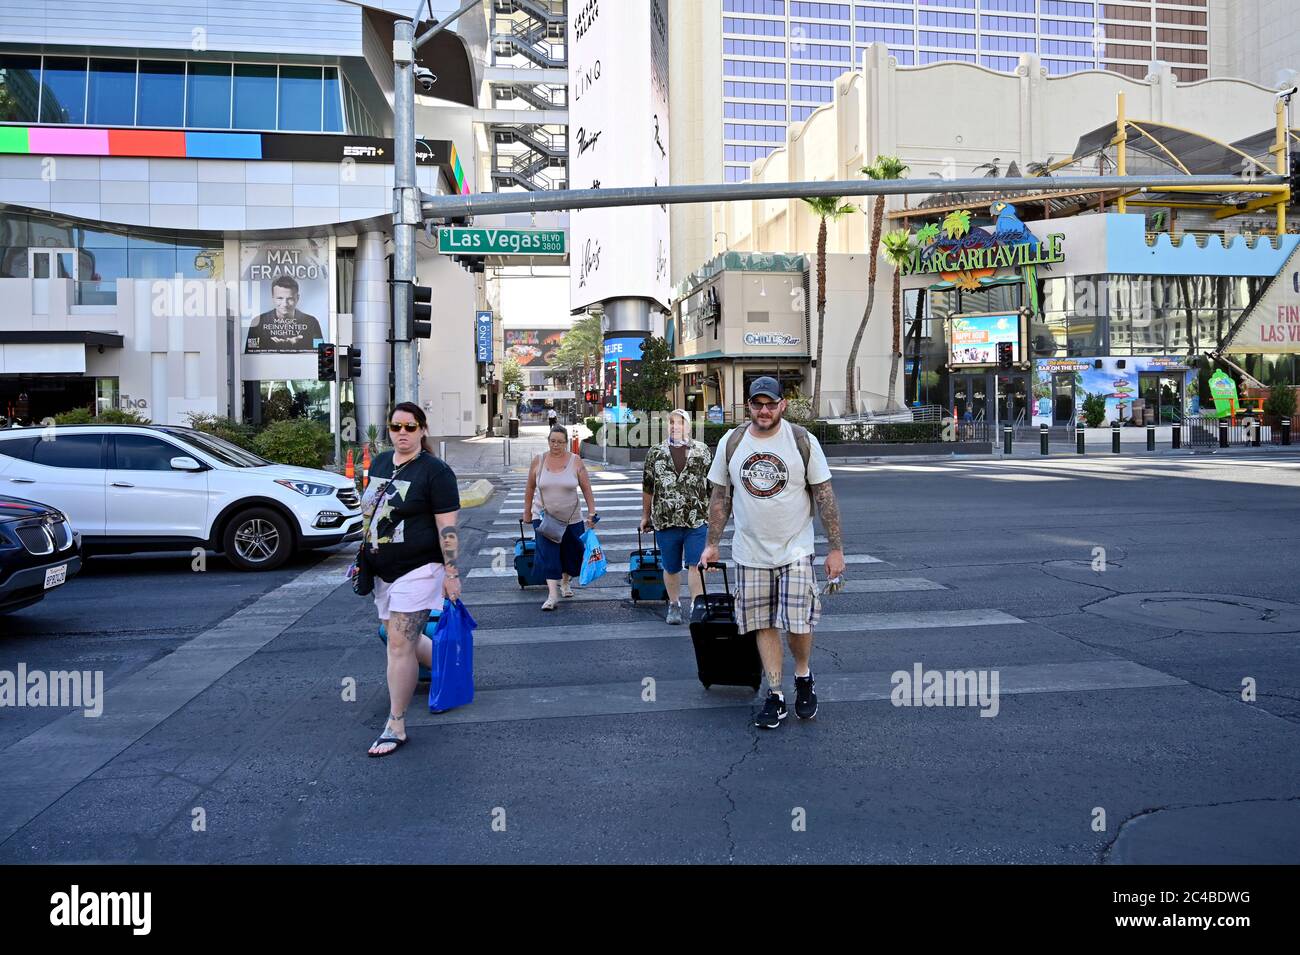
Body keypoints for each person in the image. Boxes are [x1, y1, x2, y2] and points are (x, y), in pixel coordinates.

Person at [699, 376, 845, 730]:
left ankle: (803, 676)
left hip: (795, 547)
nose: (763, 410)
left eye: (770, 404)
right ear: (748, 406)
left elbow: (824, 495)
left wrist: (835, 548)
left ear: (783, 405)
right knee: (762, 624)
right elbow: (721, 497)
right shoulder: (731, 442)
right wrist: (712, 542)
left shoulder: (801, 441)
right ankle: (776, 693)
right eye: (756, 404)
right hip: (749, 552)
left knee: (798, 623)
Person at [361, 402, 462, 756]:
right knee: (396, 635)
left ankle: (396, 724)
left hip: (420, 570)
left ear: (422, 429)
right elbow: (372, 515)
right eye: (396, 427)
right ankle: (451, 664)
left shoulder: (436, 472)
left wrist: (451, 573)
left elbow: (446, 527)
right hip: (382, 570)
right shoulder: (381, 463)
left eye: (410, 427)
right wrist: (364, 557)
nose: (402, 433)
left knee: (399, 646)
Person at [640, 408, 712, 625]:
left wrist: (716, 515)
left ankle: (697, 606)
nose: (675, 426)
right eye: (671, 422)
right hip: (665, 519)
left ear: (688, 426)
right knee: (671, 566)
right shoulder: (655, 452)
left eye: (680, 422)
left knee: (696, 564)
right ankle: (674, 604)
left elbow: (712, 486)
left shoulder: (702, 451)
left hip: (696, 519)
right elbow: (648, 487)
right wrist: (646, 516)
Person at [523, 425, 598, 611]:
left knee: (571, 554)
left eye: (560, 442)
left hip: (571, 519)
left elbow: (586, 488)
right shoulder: (538, 460)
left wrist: (591, 513)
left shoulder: (575, 461)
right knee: (549, 555)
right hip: (544, 517)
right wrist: (526, 512)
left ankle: (565, 582)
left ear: (567, 443)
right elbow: (530, 487)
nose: (556, 445)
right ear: (548, 441)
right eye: (552, 441)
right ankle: (552, 595)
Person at [245, 275, 323, 352]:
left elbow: (319, 352)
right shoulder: (258, 322)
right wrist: (268, 345)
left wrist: (298, 345)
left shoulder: (311, 323)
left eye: (290, 299)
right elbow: (250, 354)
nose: (285, 304)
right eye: (280, 298)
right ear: (273, 298)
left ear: (297, 298)